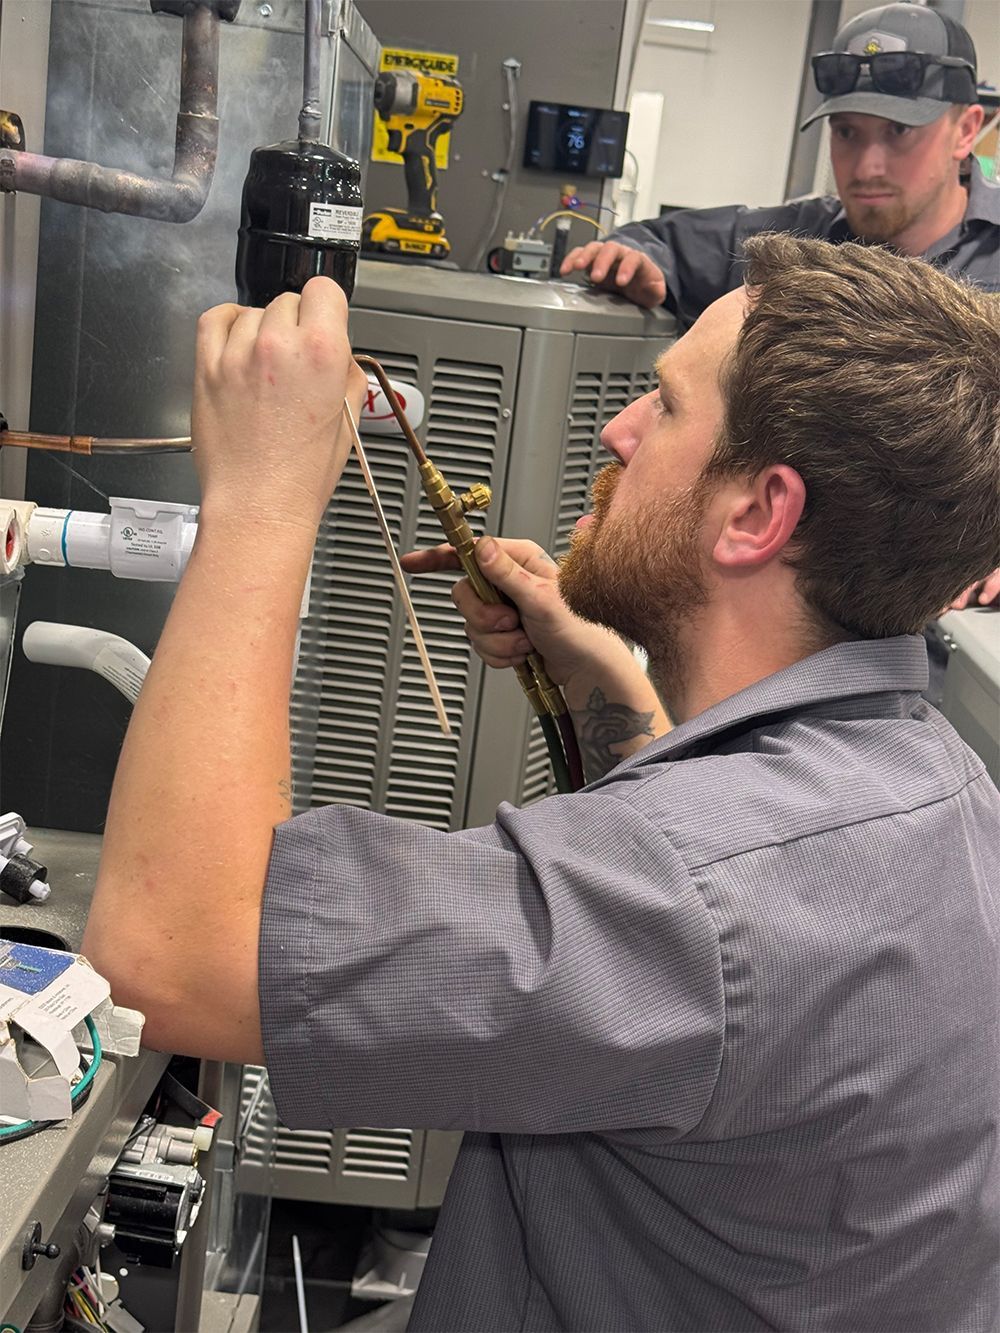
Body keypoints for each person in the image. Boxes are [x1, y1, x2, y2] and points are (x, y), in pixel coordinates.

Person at [84, 234, 999, 1332]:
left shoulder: (696, 898)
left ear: (758, 515)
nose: (619, 429)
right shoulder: (946, 788)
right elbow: (732, 894)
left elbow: (172, 954)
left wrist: (259, 501)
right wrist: (600, 678)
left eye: (665, 405)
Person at [562, 1, 1000, 611]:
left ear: (966, 128)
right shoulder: (800, 244)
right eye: (847, 132)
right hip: (795, 593)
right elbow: (663, 244)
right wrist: (636, 259)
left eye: (899, 132)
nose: (867, 166)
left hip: (956, 606)